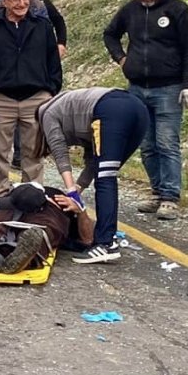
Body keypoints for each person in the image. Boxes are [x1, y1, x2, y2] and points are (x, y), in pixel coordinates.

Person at [102, 0, 188, 221]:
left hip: (169, 88)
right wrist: (121, 59)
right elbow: (110, 34)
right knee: (146, 145)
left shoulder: (178, 11)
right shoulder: (130, 10)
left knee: (167, 142)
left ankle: (170, 197)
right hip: (136, 88)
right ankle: (157, 191)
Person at [32, 87, 149, 264]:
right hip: (138, 109)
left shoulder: (46, 114)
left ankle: (105, 243)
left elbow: (60, 154)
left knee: (105, 177)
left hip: (111, 109)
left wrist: (71, 192)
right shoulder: (75, 115)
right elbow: (94, 163)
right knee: (106, 172)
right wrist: (78, 188)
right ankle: (107, 238)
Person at [0, 0, 62, 198]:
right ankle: (0, 196)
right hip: (0, 98)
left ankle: (32, 196)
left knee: (34, 153)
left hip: (36, 97)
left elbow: (53, 60)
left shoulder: (43, 25)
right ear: (4, 1)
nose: (22, 3)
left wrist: (51, 90)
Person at [0, 183, 93, 274]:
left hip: (42, 212)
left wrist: (80, 210)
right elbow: (87, 239)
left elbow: (87, 239)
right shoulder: (8, 200)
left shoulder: (58, 199)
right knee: (41, 231)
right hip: (25, 213)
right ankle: (23, 258)